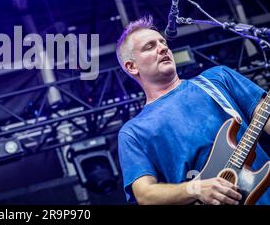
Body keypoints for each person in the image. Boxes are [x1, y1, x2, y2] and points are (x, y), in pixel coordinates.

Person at [116, 15, 270, 205]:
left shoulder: (217, 79)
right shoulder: (133, 132)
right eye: (150, 46)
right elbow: (145, 194)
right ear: (131, 67)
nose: (163, 48)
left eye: (163, 42)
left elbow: (267, 118)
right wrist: (196, 188)